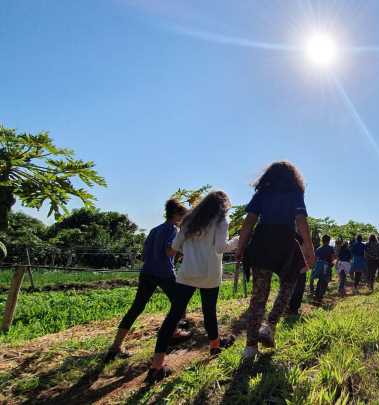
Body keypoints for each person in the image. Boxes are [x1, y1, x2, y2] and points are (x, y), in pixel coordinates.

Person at [147, 191, 239, 383]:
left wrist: (193, 249)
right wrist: (237, 241)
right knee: (209, 311)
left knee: (173, 317)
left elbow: (176, 246)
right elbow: (221, 247)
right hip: (209, 275)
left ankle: (156, 367)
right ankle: (215, 346)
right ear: (224, 206)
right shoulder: (221, 221)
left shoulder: (189, 220)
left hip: (187, 273)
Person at [235, 161, 315, 363]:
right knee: (289, 284)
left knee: (258, 296)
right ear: (293, 176)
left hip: (262, 242)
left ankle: (250, 348)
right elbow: (301, 221)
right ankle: (270, 324)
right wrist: (309, 249)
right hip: (285, 243)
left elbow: (248, 223)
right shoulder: (294, 192)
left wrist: (241, 247)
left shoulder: (262, 193)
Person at [105, 199, 189, 362]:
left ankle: (116, 346)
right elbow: (169, 252)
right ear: (176, 214)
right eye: (182, 215)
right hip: (164, 273)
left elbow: (145, 254)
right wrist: (181, 248)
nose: (183, 219)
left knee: (136, 308)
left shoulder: (154, 230)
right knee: (180, 303)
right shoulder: (173, 230)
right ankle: (173, 333)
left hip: (147, 272)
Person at [313, 234, 335, 303]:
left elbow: (315, 259)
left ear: (322, 241)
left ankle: (317, 294)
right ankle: (320, 296)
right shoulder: (330, 248)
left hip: (319, 266)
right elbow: (333, 257)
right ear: (328, 241)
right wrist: (332, 264)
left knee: (320, 280)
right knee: (325, 281)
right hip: (327, 266)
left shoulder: (318, 249)